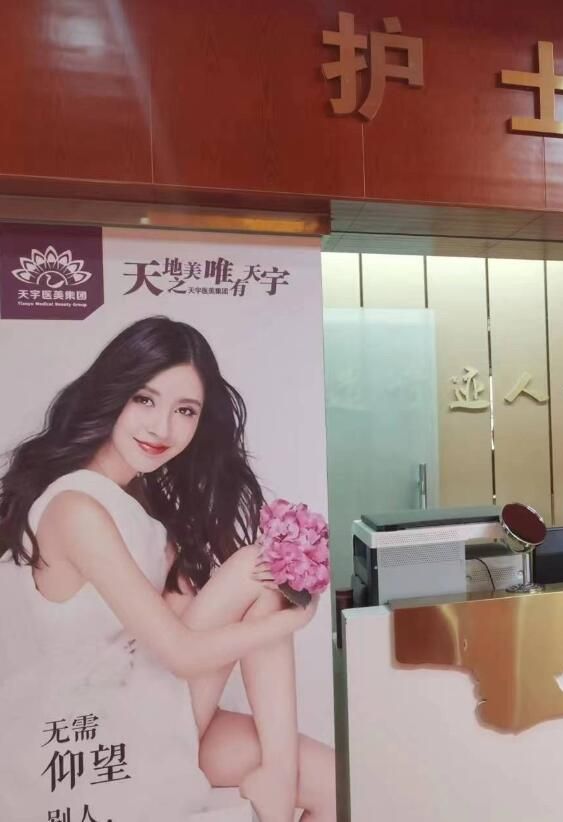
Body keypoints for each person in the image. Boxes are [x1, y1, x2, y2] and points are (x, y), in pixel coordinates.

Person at [0, 317, 335, 822]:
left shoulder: (140, 508)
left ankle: (279, 773)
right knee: (256, 566)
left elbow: (179, 627)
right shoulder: (76, 508)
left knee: (334, 782)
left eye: (185, 411)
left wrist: (256, 587)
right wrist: (291, 619)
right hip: (100, 730)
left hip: (151, 705)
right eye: (144, 399)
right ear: (113, 394)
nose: (162, 428)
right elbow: (180, 653)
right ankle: (279, 776)